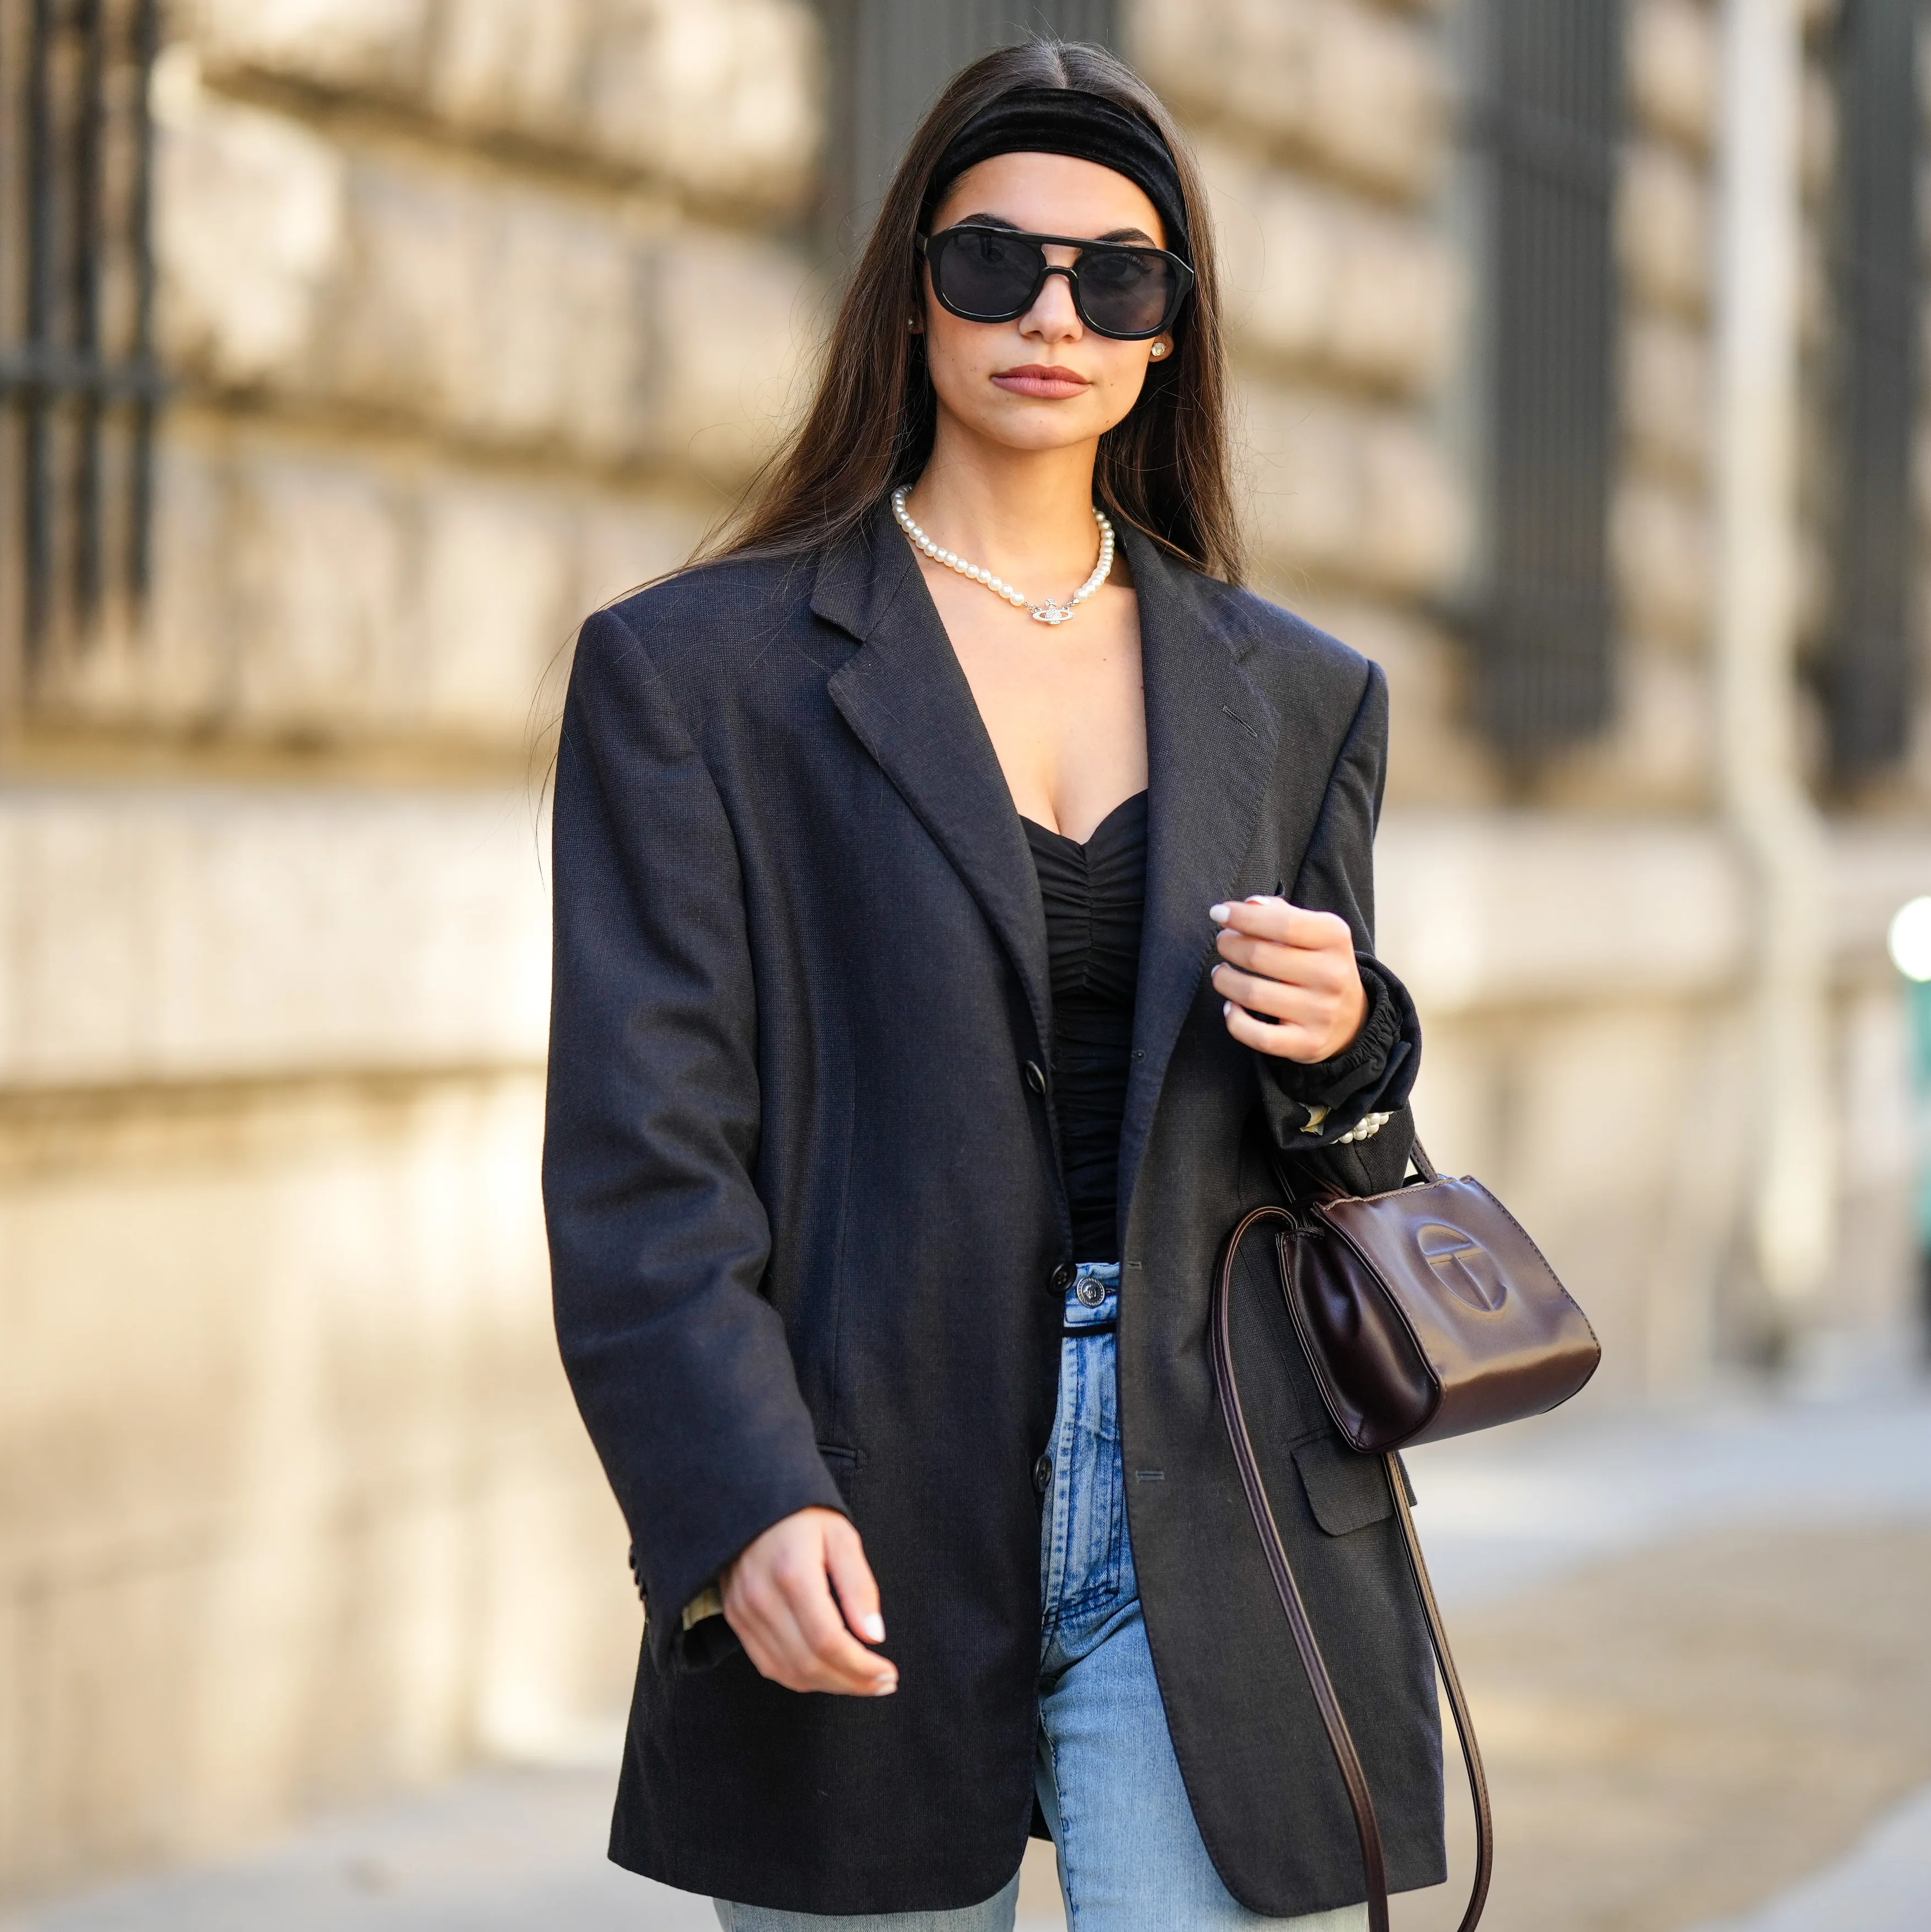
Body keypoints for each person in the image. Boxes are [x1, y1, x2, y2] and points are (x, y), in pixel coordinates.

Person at [545, 40, 1439, 1932]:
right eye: (993, 264)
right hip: (861, 1482)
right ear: (910, 295)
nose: (1054, 312)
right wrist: (735, 1497)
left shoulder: (1292, 698)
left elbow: (1352, 1177)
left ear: (1172, 331)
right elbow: (644, 1158)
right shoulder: (699, 679)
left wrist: (1353, 1044)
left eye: (1116, 275)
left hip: (1216, 1489)